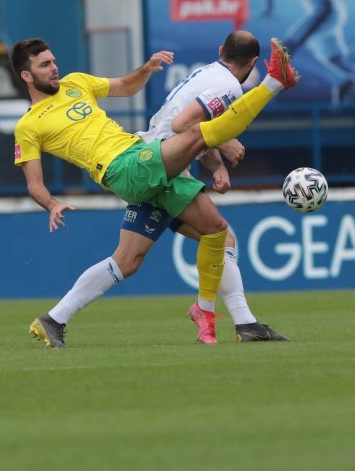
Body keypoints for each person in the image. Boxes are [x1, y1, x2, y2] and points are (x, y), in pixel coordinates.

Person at [10, 36, 298, 347]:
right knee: (197, 137)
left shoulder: (75, 82)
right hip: (124, 168)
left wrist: (145, 69)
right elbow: (34, 183)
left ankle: (53, 320)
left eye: (53, 61)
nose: (54, 68)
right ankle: (273, 83)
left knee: (197, 239)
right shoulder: (28, 126)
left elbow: (126, 86)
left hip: (140, 154)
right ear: (27, 76)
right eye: (45, 65)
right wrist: (51, 204)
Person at [121, 30, 288, 343]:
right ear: (253, 62)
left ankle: (55, 318)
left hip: (152, 161)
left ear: (221, 48)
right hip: (164, 169)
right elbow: (183, 126)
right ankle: (231, 319)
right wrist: (226, 143)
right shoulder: (228, 86)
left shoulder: (208, 73)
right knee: (220, 236)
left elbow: (195, 129)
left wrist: (217, 165)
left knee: (125, 261)